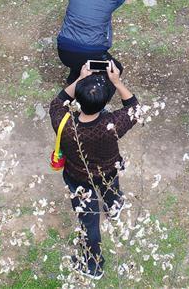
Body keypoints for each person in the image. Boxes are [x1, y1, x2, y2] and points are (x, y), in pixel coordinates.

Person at [49, 61, 138, 281]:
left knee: (89, 222)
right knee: (111, 189)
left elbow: (58, 101)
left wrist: (79, 79)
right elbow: (135, 109)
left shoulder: (64, 122)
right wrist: (117, 82)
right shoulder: (112, 124)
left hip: (77, 177)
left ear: (78, 99)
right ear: (105, 102)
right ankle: (114, 207)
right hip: (108, 171)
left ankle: (93, 265)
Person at [57, 0, 127, 84]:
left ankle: (73, 78)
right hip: (93, 53)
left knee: (78, 64)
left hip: (64, 51)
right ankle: (89, 91)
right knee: (117, 69)